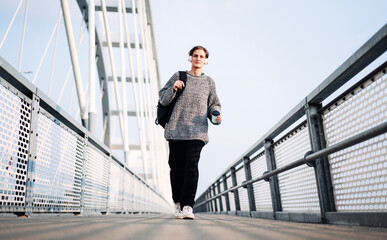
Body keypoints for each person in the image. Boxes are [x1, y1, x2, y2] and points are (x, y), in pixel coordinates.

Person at [158, 46, 222, 219]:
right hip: (176, 130)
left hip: (198, 132)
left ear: (205, 60)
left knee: (191, 167)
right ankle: (178, 202)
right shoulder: (179, 76)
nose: (198, 58)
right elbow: (162, 99)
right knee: (176, 168)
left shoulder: (209, 82)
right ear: (190, 58)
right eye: (195, 55)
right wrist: (173, 88)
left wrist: (215, 114)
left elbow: (214, 104)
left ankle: (187, 206)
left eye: (202, 56)